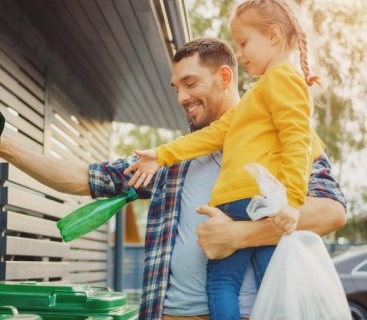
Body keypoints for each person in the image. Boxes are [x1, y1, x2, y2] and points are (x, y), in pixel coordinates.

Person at [0, 37, 347, 319]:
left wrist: (240, 235)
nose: (181, 97)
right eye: (175, 87)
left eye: (190, 83)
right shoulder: (170, 159)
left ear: (225, 77)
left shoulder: (283, 139)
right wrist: (7, 148)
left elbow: (331, 212)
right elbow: (85, 177)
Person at [123, 1, 332, 319]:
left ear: (273, 35)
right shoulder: (258, 93)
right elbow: (215, 134)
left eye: (244, 43)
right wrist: (161, 154)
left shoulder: (282, 80)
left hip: (250, 203)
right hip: (241, 204)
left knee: (226, 284)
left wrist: (292, 201)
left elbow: (297, 141)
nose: (241, 54)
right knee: (268, 279)